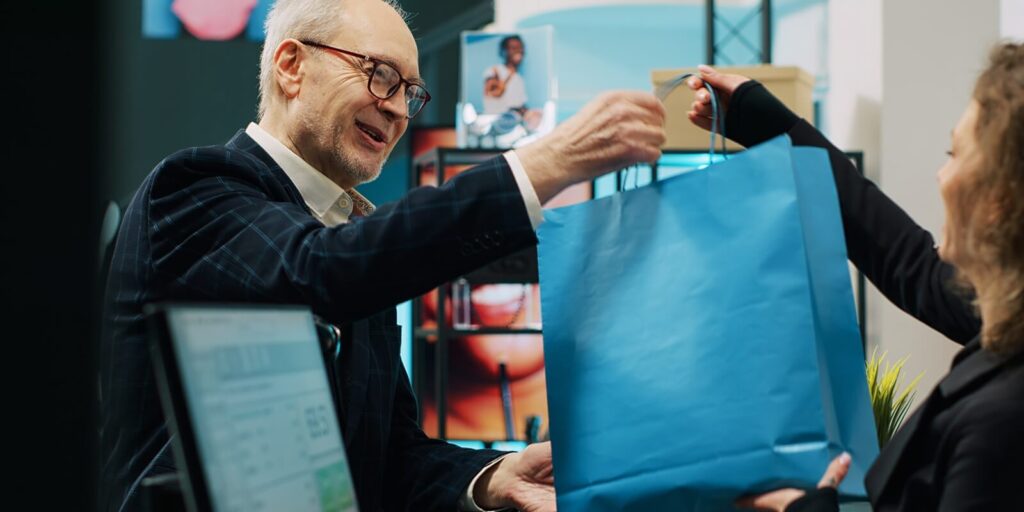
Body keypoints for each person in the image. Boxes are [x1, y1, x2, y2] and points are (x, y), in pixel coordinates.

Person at [98, 0, 667, 510]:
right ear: (291, 65)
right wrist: (540, 168)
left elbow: (389, 455)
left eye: (409, 93)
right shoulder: (196, 188)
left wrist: (495, 476)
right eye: (381, 76)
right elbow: (322, 268)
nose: (397, 109)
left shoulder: (349, 233)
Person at [685, 43, 1024, 511]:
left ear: (1000, 201)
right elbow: (910, 262)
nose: (941, 175)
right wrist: (772, 127)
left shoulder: (1002, 424)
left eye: (955, 152)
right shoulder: (1011, 329)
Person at [483, 35, 528, 116]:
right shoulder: (493, 71)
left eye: (521, 48)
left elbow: (520, 105)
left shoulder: (519, 78)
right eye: (513, 48)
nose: (519, 51)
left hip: (513, 124)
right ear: (504, 51)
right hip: (495, 123)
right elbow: (494, 93)